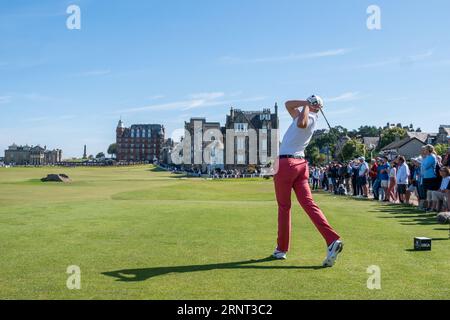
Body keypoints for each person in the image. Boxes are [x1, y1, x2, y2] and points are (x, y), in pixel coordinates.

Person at [273, 96, 343, 267]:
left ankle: (281, 249)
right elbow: (287, 104)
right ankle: (331, 239)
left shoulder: (309, 117)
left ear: (314, 107)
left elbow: (301, 124)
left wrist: (307, 107)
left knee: (284, 207)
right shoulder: (304, 113)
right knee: (309, 204)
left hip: (286, 163)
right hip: (300, 164)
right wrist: (306, 103)